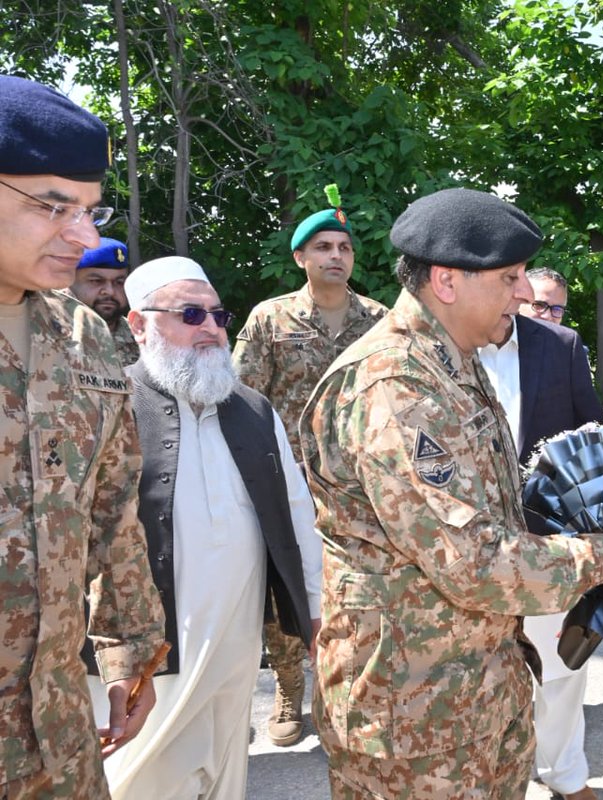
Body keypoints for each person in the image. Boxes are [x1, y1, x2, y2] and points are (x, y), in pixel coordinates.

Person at [300, 187, 603, 799]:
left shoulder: (455, 361)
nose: (524, 294)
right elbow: (471, 560)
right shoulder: (397, 386)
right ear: (447, 282)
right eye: (510, 277)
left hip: (473, 693)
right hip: (414, 718)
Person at [88, 256, 323, 800]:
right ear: (139, 325)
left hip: (236, 642)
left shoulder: (253, 408)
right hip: (148, 651)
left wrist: (315, 612)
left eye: (219, 315)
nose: (212, 329)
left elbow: (297, 517)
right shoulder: (109, 404)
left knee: (222, 774)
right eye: (191, 314)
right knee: (137, 781)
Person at [0, 73, 166, 799]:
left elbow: (114, 505)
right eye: (53, 206)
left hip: (58, 732)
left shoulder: (84, 343)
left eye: (90, 210)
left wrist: (129, 649)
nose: (84, 236)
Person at [232, 195, 386, 747]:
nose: (335, 256)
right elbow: (241, 399)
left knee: (354, 586)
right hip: (288, 480)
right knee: (287, 589)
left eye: (344, 247)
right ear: (301, 257)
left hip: (358, 485)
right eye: (323, 247)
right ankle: (288, 687)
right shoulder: (269, 318)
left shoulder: (380, 319)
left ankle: (343, 690)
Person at [479, 288, 603, 800]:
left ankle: (564, 775)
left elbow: (590, 437)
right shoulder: (444, 342)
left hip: (548, 539)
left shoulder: (561, 346)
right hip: (468, 544)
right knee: (479, 671)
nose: (521, 296)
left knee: (560, 668)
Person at [70, 236, 140, 366]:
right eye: (96, 281)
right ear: (70, 281)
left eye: (119, 282)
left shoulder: (140, 337)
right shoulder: (50, 330)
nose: (110, 291)